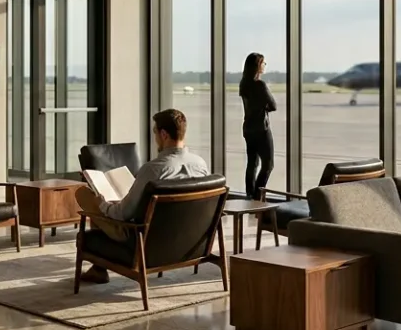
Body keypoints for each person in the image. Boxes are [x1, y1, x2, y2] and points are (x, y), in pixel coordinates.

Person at [75, 108, 209, 284]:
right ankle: (98, 269)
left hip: (142, 241)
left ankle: (99, 270)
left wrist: (102, 203)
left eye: (155, 133)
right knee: (112, 204)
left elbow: (122, 214)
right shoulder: (200, 164)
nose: (155, 139)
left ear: (163, 134)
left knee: (86, 195)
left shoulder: (153, 169)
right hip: (189, 243)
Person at [240, 52, 276, 200]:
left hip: (248, 128)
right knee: (268, 165)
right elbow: (273, 105)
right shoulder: (260, 84)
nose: (265, 65)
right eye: (263, 63)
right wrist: (264, 107)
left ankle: (250, 193)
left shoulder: (244, 84)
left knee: (252, 163)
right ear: (257, 66)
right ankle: (257, 195)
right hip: (261, 129)